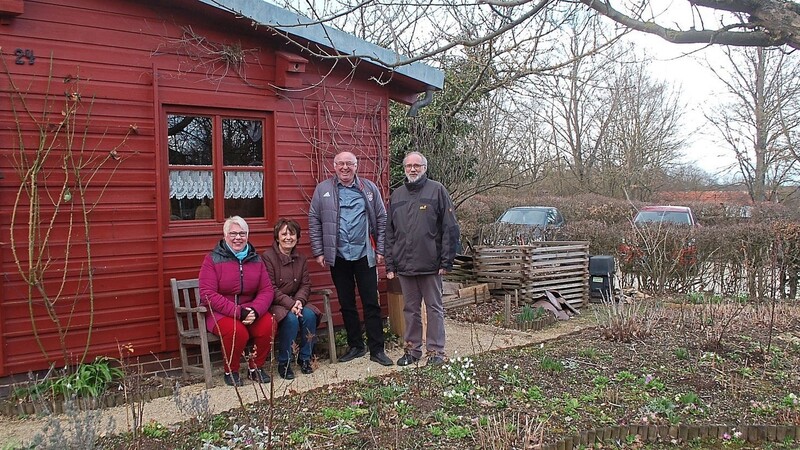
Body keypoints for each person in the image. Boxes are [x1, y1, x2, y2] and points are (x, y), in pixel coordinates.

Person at [308, 151, 393, 366]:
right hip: (338, 256)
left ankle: (377, 349)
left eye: (349, 164)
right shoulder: (323, 189)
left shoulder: (369, 188)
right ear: (334, 166)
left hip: (365, 254)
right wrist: (319, 251)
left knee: (371, 302)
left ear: (357, 166)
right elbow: (314, 219)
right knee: (346, 303)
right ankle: (356, 345)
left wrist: (380, 249)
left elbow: (382, 219)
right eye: (341, 164)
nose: (345, 167)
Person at [385, 152, 460, 367]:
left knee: (434, 308)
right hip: (405, 266)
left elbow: (450, 228)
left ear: (425, 168)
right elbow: (389, 233)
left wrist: (446, 261)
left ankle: (436, 351)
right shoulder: (397, 195)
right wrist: (390, 264)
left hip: (431, 265)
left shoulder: (437, 191)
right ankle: (412, 350)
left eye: (417, 165)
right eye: (409, 166)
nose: (413, 169)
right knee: (410, 309)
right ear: (404, 169)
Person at [199, 216, 274, 386]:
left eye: (242, 233)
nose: (238, 238)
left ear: (247, 235)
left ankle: (256, 368)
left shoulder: (256, 260)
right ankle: (231, 371)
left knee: (269, 323)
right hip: (219, 313)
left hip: (249, 310)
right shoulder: (212, 259)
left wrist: (255, 310)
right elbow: (207, 294)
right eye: (233, 233)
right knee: (237, 331)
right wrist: (238, 312)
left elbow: (266, 290)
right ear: (225, 236)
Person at [262, 218, 319, 380]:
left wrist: (299, 301)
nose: (288, 237)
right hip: (277, 303)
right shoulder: (268, 257)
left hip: (297, 301)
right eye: (284, 234)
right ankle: (284, 362)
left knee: (309, 316)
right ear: (277, 237)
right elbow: (270, 287)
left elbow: (306, 284)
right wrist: (291, 304)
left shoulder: (301, 258)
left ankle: (305, 358)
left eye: (292, 234)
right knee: (291, 320)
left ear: (297, 237)